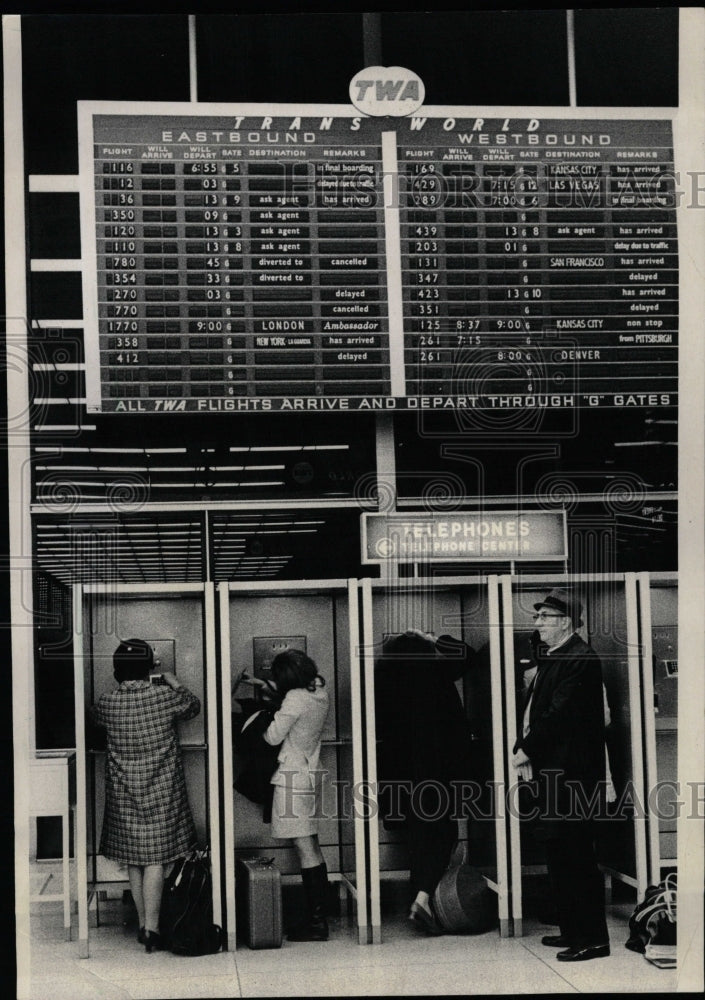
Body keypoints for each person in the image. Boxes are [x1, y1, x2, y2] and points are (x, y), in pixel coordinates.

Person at [512, 589, 610, 962]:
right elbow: (540, 709)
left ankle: (594, 940)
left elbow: (559, 714)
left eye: (544, 617)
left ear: (565, 621)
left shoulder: (580, 659)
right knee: (559, 852)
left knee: (577, 856)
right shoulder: (558, 656)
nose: (537, 624)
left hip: (572, 776)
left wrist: (527, 747)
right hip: (554, 772)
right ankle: (572, 930)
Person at [89, 639, 200, 953]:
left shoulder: (107, 702)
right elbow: (193, 706)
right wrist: (171, 679)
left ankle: (143, 924)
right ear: (150, 666)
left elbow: (95, 720)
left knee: (134, 859)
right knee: (155, 858)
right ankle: (152, 928)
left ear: (116, 670)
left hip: (124, 789)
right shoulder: (164, 696)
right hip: (162, 787)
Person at [374, 629, 475, 935]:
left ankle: (423, 900)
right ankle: (423, 897)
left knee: (418, 839)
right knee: (442, 833)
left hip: (399, 772)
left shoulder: (384, 679)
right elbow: (470, 656)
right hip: (435, 771)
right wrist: (434, 638)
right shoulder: (436, 674)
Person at [262, 649, 331, 942]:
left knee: (304, 849)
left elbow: (272, 736)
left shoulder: (294, 699)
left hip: (291, 778)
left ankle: (316, 923)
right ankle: (320, 915)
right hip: (308, 774)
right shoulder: (319, 691)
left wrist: (270, 706)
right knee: (313, 846)